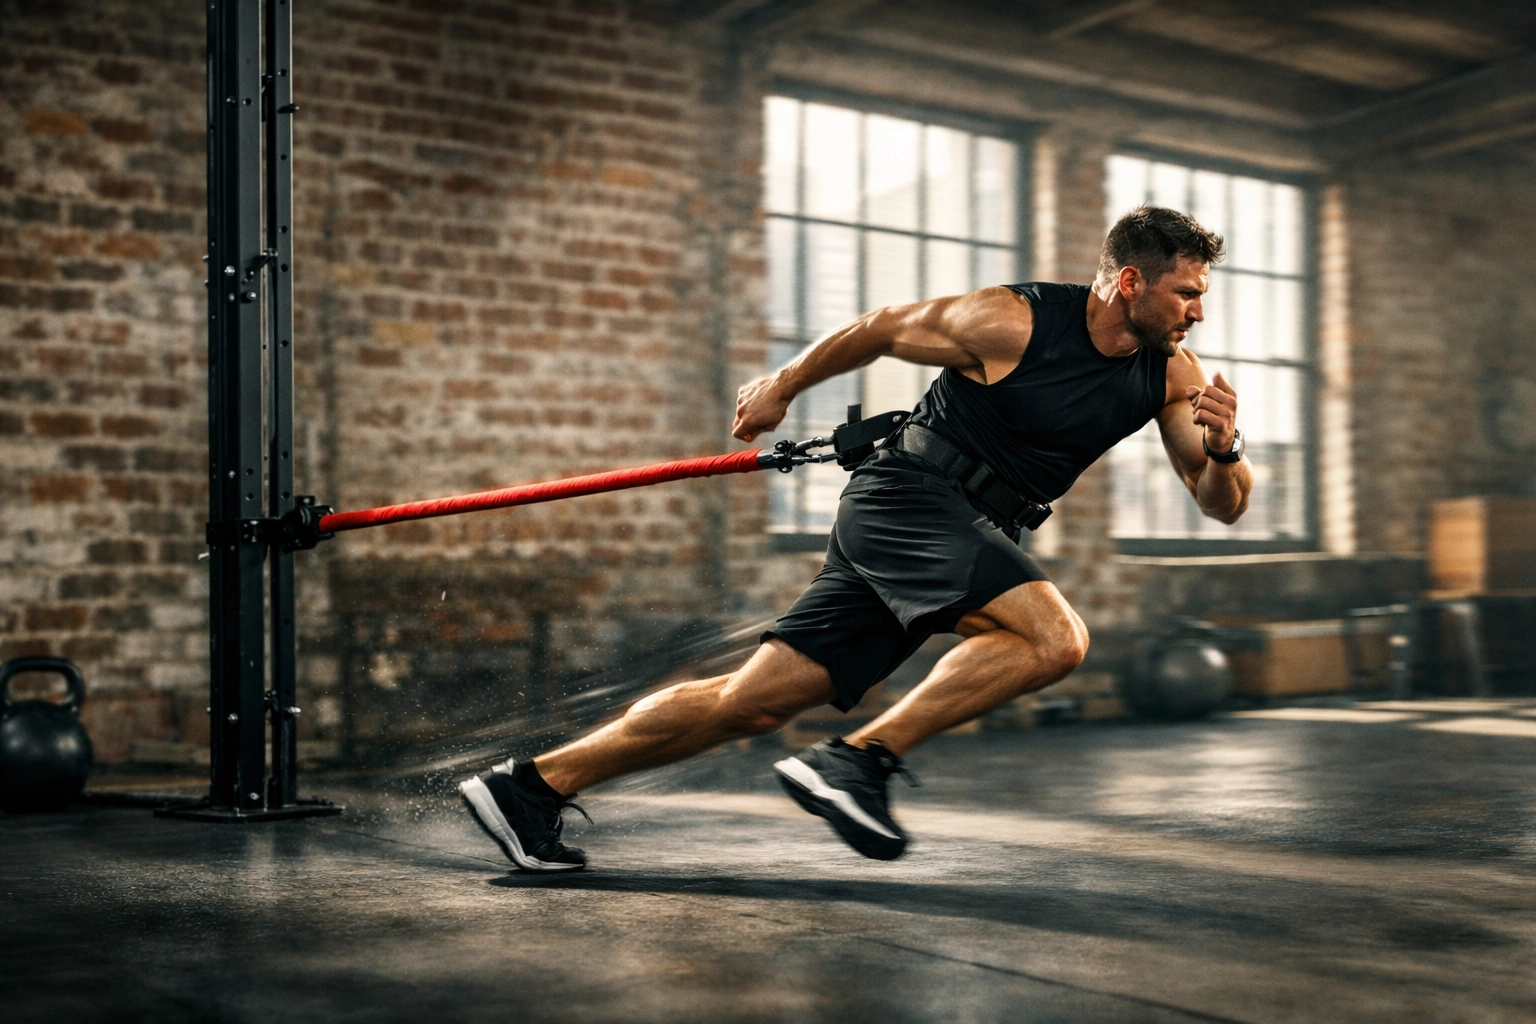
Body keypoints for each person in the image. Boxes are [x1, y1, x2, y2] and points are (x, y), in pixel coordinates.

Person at [458, 205, 1253, 871]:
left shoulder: (1172, 374)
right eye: (1186, 293)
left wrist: (1225, 451)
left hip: (966, 528)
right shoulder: (1011, 320)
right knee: (1055, 640)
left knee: (752, 703)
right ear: (1128, 281)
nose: (1197, 312)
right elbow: (880, 327)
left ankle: (532, 787)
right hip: (907, 497)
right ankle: (859, 759)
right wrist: (780, 385)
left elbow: (1220, 504)